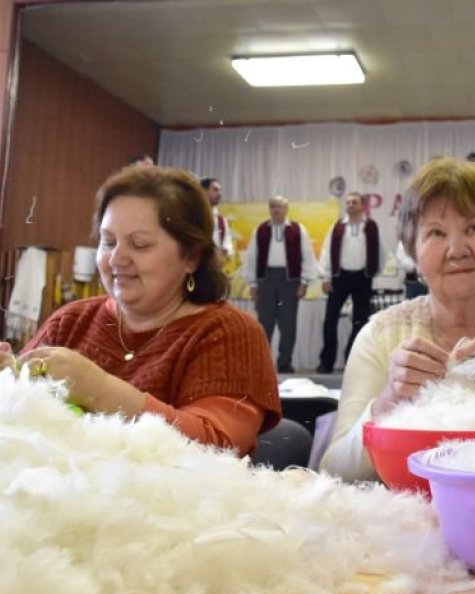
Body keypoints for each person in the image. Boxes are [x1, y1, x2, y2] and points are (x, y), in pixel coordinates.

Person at [3, 167, 280, 456]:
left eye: (140, 245)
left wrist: (100, 390)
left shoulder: (228, 333)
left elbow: (218, 448)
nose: (116, 259)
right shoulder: (70, 322)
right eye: (107, 242)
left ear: (192, 256)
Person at [320, 158, 475, 481]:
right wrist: (387, 403)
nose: (456, 249)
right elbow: (335, 471)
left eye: (473, 228)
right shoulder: (381, 336)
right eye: (436, 233)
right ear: (413, 252)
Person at [242, 195, 319, 373]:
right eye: (273, 207)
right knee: (264, 323)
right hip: (266, 280)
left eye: (280, 207)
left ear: (286, 209)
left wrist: (305, 282)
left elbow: (307, 256)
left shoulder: (298, 229)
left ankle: (285, 363)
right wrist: (253, 284)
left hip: (289, 281)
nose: (276, 210)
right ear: (269, 209)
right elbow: (252, 257)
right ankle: (262, 364)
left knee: (288, 324)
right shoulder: (260, 230)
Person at [317, 192, 381, 373]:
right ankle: (326, 362)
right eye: (348, 202)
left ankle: (351, 361)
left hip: (362, 278)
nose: (350, 205)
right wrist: (326, 277)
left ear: (363, 206)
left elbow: (380, 251)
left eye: (354, 202)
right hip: (339, 277)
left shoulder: (371, 227)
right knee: (330, 320)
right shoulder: (337, 227)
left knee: (360, 322)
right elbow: (326, 252)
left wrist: (373, 272)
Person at [200, 177, 234, 258]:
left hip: (214, 267)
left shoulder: (222, 220)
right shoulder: (192, 216)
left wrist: (225, 251)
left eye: (219, 190)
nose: (219, 194)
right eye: (215, 190)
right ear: (204, 191)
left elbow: (227, 246)